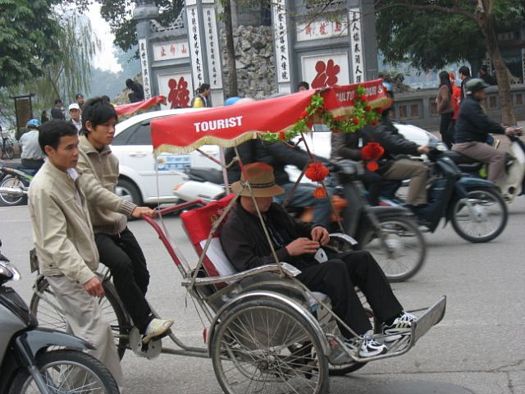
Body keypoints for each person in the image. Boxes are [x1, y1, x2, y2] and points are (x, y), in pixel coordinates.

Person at [220, 162, 417, 357]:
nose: (270, 199)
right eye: (265, 196)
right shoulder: (234, 227)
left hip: (301, 266)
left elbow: (296, 226)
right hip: (278, 279)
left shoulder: (272, 210)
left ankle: (391, 319)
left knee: (361, 258)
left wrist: (315, 228)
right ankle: (356, 338)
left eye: (271, 194)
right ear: (249, 195)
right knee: (335, 269)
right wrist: (287, 251)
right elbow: (248, 267)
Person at [27, 120, 123, 386]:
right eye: (68, 148)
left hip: (79, 265)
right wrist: (84, 275)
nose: (75, 153)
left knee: (79, 338)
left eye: (75, 146)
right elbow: (55, 241)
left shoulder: (69, 173)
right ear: (49, 150)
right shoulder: (44, 187)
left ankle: (72, 389)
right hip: (65, 272)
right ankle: (101, 387)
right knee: (97, 333)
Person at [77, 97, 174, 344]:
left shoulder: (111, 157)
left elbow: (110, 191)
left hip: (116, 226)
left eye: (114, 124)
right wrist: (132, 208)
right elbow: (93, 192)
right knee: (121, 264)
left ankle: (128, 314)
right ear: (89, 126)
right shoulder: (76, 155)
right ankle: (145, 324)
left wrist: (127, 213)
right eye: (106, 126)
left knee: (142, 273)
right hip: (92, 229)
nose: (112, 130)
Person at [362, 82, 430, 209]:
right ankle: (413, 209)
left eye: (390, 96)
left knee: (424, 164)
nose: (390, 100)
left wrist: (416, 148)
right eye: (386, 96)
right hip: (380, 165)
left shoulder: (382, 117)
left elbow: (397, 136)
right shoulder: (372, 119)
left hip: (386, 160)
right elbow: (389, 140)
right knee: (420, 169)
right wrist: (415, 148)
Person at [453, 78, 521, 183]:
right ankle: (492, 188)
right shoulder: (470, 105)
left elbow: (486, 122)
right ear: (475, 92)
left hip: (471, 142)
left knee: (499, 155)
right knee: (498, 156)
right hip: (468, 144)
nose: (484, 93)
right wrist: (504, 131)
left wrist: (505, 128)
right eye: (481, 90)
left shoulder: (471, 104)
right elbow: (484, 124)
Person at [436, 71, 454, 148]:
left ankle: (447, 145)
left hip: (446, 111)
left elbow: (445, 99)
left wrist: (439, 107)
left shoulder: (444, 87)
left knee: (443, 130)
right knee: (445, 130)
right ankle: (448, 144)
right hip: (448, 111)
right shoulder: (447, 86)